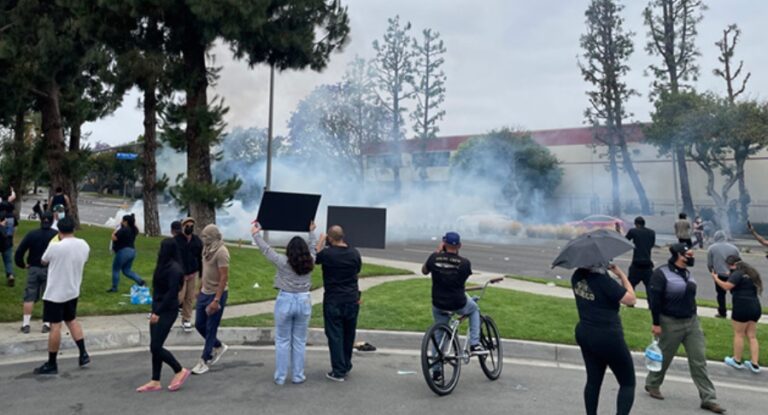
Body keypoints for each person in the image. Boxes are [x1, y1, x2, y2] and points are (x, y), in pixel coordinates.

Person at [645, 243, 725, 414]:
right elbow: (654, 300)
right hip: (670, 322)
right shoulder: (661, 274)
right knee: (665, 357)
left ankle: (708, 398)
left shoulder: (687, 273)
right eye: (688, 254)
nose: (691, 257)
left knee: (699, 360)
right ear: (678, 255)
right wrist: (656, 323)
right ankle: (652, 384)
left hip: (692, 322)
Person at [251, 221, 317, 385]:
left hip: (285, 299)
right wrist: (311, 233)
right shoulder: (311, 261)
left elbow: (267, 250)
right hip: (304, 299)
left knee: (282, 340)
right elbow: (313, 247)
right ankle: (298, 375)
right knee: (299, 341)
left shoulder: (282, 262)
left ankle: (280, 377)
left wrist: (255, 234)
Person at [572, 263, 636, 415]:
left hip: (585, 331)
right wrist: (622, 276)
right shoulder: (603, 281)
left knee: (593, 381)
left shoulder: (577, 276)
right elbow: (631, 299)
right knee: (627, 383)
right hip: (607, 334)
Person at [33, 216, 91, 375]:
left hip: (55, 293)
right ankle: (83, 353)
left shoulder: (55, 247)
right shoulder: (84, 245)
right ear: (74, 228)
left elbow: (44, 261)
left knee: (55, 327)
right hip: (72, 290)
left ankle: (52, 363)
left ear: (59, 230)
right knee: (72, 320)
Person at [421, 231, 482, 383]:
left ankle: (436, 372)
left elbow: (424, 271)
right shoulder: (464, 263)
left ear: (443, 243)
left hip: (438, 302)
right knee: (473, 309)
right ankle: (475, 343)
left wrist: (438, 252)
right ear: (459, 245)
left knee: (439, 334)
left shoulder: (434, 258)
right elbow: (461, 281)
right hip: (457, 302)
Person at [136, 238, 191, 392]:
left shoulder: (175, 269)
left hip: (167, 310)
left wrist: (158, 312)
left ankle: (179, 370)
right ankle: (155, 380)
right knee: (155, 345)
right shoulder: (163, 266)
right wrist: (154, 310)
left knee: (155, 346)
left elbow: (172, 293)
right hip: (157, 307)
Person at [316, 225, 362, 382]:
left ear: (330, 238)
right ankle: (346, 364)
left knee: (335, 335)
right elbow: (358, 269)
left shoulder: (327, 254)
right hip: (351, 298)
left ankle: (338, 370)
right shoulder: (354, 253)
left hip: (333, 299)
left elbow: (315, 257)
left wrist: (320, 242)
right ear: (343, 236)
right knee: (349, 334)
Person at [190, 224, 230, 375]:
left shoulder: (222, 252)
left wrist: (217, 300)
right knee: (199, 324)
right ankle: (218, 346)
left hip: (216, 294)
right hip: (204, 292)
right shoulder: (206, 249)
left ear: (213, 237)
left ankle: (204, 360)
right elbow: (204, 269)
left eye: (206, 236)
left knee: (210, 327)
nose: (203, 239)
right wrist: (199, 288)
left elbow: (224, 277)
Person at [712, 255, 762, 373]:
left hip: (741, 306)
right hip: (755, 306)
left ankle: (737, 360)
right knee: (752, 336)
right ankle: (754, 364)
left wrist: (716, 278)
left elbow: (726, 286)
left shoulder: (737, 273)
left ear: (731, 264)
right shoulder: (751, 272)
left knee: (739, 334)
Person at [15, 212, 59, 334]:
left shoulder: (32, 234)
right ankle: (46, 323)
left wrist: (22, 264)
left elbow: (20, 251)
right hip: (50, 269)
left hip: (33, 267)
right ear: (51, 221)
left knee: (29, 295)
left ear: (40, 220)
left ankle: (26, 324)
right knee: (48, 296)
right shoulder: (55, 236)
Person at [174, 217, 203, 332]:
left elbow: (201, 258)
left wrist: (201, 274)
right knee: (179, 297)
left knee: (189, 297)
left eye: (191, 226)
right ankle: (169, 316)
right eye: (187, 226)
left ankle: (186, 319)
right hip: (180, 274)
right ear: (182, 227)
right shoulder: (176, 240)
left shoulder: (197, 241)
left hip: (192, 273)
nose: (189, 228)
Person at [107, 214, 145, 292]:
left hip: (123, 252)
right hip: (132, 251)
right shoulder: (134, 230)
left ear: (126, 222)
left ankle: (114, 288)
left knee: (116, 269)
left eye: (122, 220)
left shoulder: (124, 230)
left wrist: (113, 233)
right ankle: (140, 281)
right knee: (126, 270)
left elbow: (114, 238)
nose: (121, 222)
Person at [707, 230, 740, 319]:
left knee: (721, 294)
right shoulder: (734, 248)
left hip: (719, 274)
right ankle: (737, 312)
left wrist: (712, 273)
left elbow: (710, 264)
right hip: (733, 274)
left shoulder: (712, 248)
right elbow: (739, 262)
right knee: (735, 294)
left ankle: (722, 312)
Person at [625, 216, 656, 289]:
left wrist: (618, 231)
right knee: (650, 289)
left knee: (630, 287)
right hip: (647, 264)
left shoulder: (633, 231)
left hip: (636, 263)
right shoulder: (652, 232)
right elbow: (651, 245)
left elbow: (625, 241)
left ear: (636, 224)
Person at [1, 188, 18, 287]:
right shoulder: (12, 216)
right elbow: (15, 228)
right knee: (8, 260)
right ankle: (10, 275)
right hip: (7, 240)